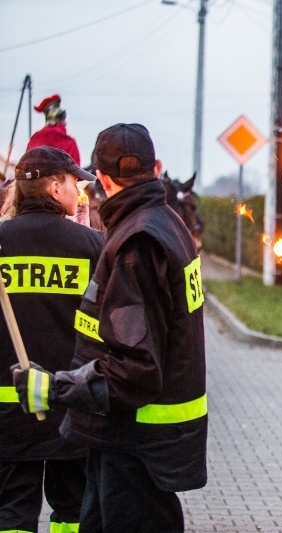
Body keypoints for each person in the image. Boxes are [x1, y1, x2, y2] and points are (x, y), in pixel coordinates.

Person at [12, 123, 208, 532]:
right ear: (155, 167)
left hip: (134, 442)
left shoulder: (136, 244)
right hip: (137, 439)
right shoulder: (170, 226)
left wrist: (57, 387)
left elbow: (135, 369)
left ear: (100, 178)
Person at [0, 147, 103, 533]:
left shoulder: (1, 243)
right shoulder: (92, 246)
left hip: (8, 409)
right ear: (55, 185)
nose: (79, 191)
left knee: (11, 510)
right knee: (74, 508)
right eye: (75, 182)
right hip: (69, 402)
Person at [27, 95, 81, 166]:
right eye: (63, 119)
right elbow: (76, 170)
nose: (65, 123)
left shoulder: (35, 138)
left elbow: (26, 166)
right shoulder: (69, 142)